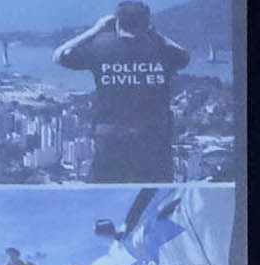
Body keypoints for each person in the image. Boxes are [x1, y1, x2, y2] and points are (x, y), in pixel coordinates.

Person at [54, 2, 191, 182]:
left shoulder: (101, 47)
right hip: (153, 137)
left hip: (110, 139)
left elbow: (59, 56)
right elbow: (185, 56)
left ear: (117, 22)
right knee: (154, 192)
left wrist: (96, 29)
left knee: (107, 191)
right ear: (147, 23)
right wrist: (154, 33)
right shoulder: (161, 49)